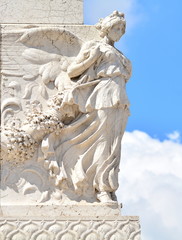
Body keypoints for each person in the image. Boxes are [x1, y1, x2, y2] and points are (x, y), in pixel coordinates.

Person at [42, 11, 132, 203]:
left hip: (120, 100)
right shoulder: (95, 46)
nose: (120, 31)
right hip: (103, 96)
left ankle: (108, 187)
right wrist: (91, 59)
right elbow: (74, 70)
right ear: (107, 28)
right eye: (116, 27)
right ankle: (101, 189)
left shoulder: (120, 55)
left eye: (122, 29)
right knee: (103, 142)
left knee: (114, 146)